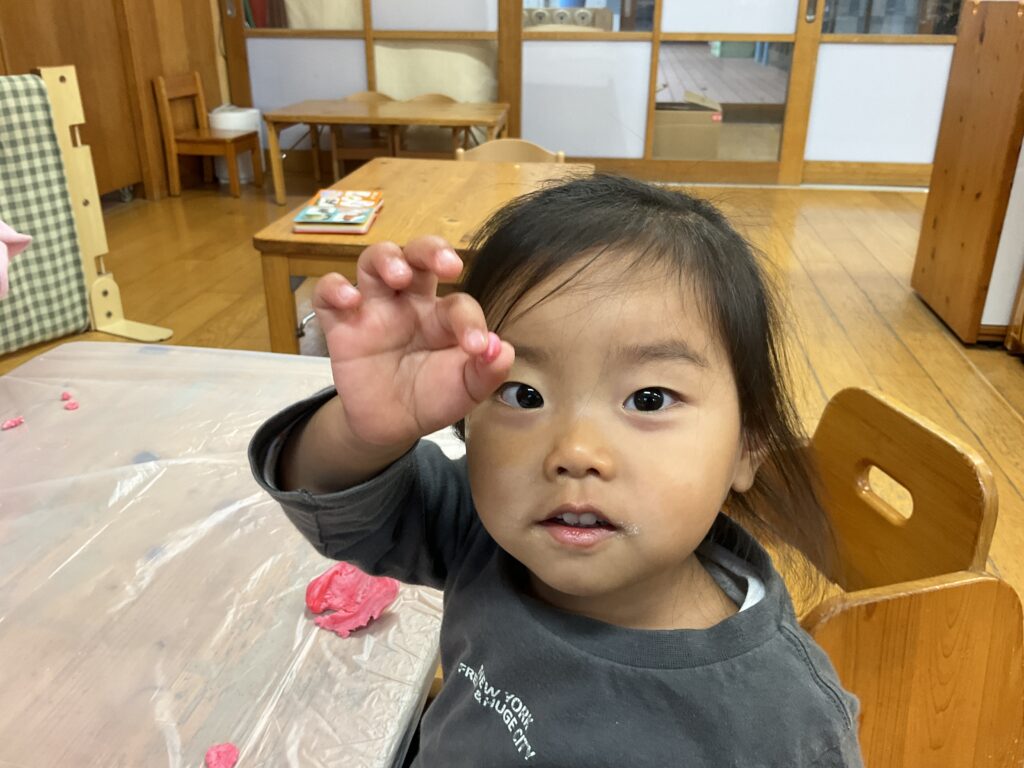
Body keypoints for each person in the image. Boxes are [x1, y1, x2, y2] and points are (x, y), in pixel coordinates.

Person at [249, 174, 863, 766]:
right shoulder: (485, 530)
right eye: (524, 394)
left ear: (748, 445)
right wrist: (364, 433)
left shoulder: (784, 727)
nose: (574, 450)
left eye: (649, 399)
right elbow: (341, 503)